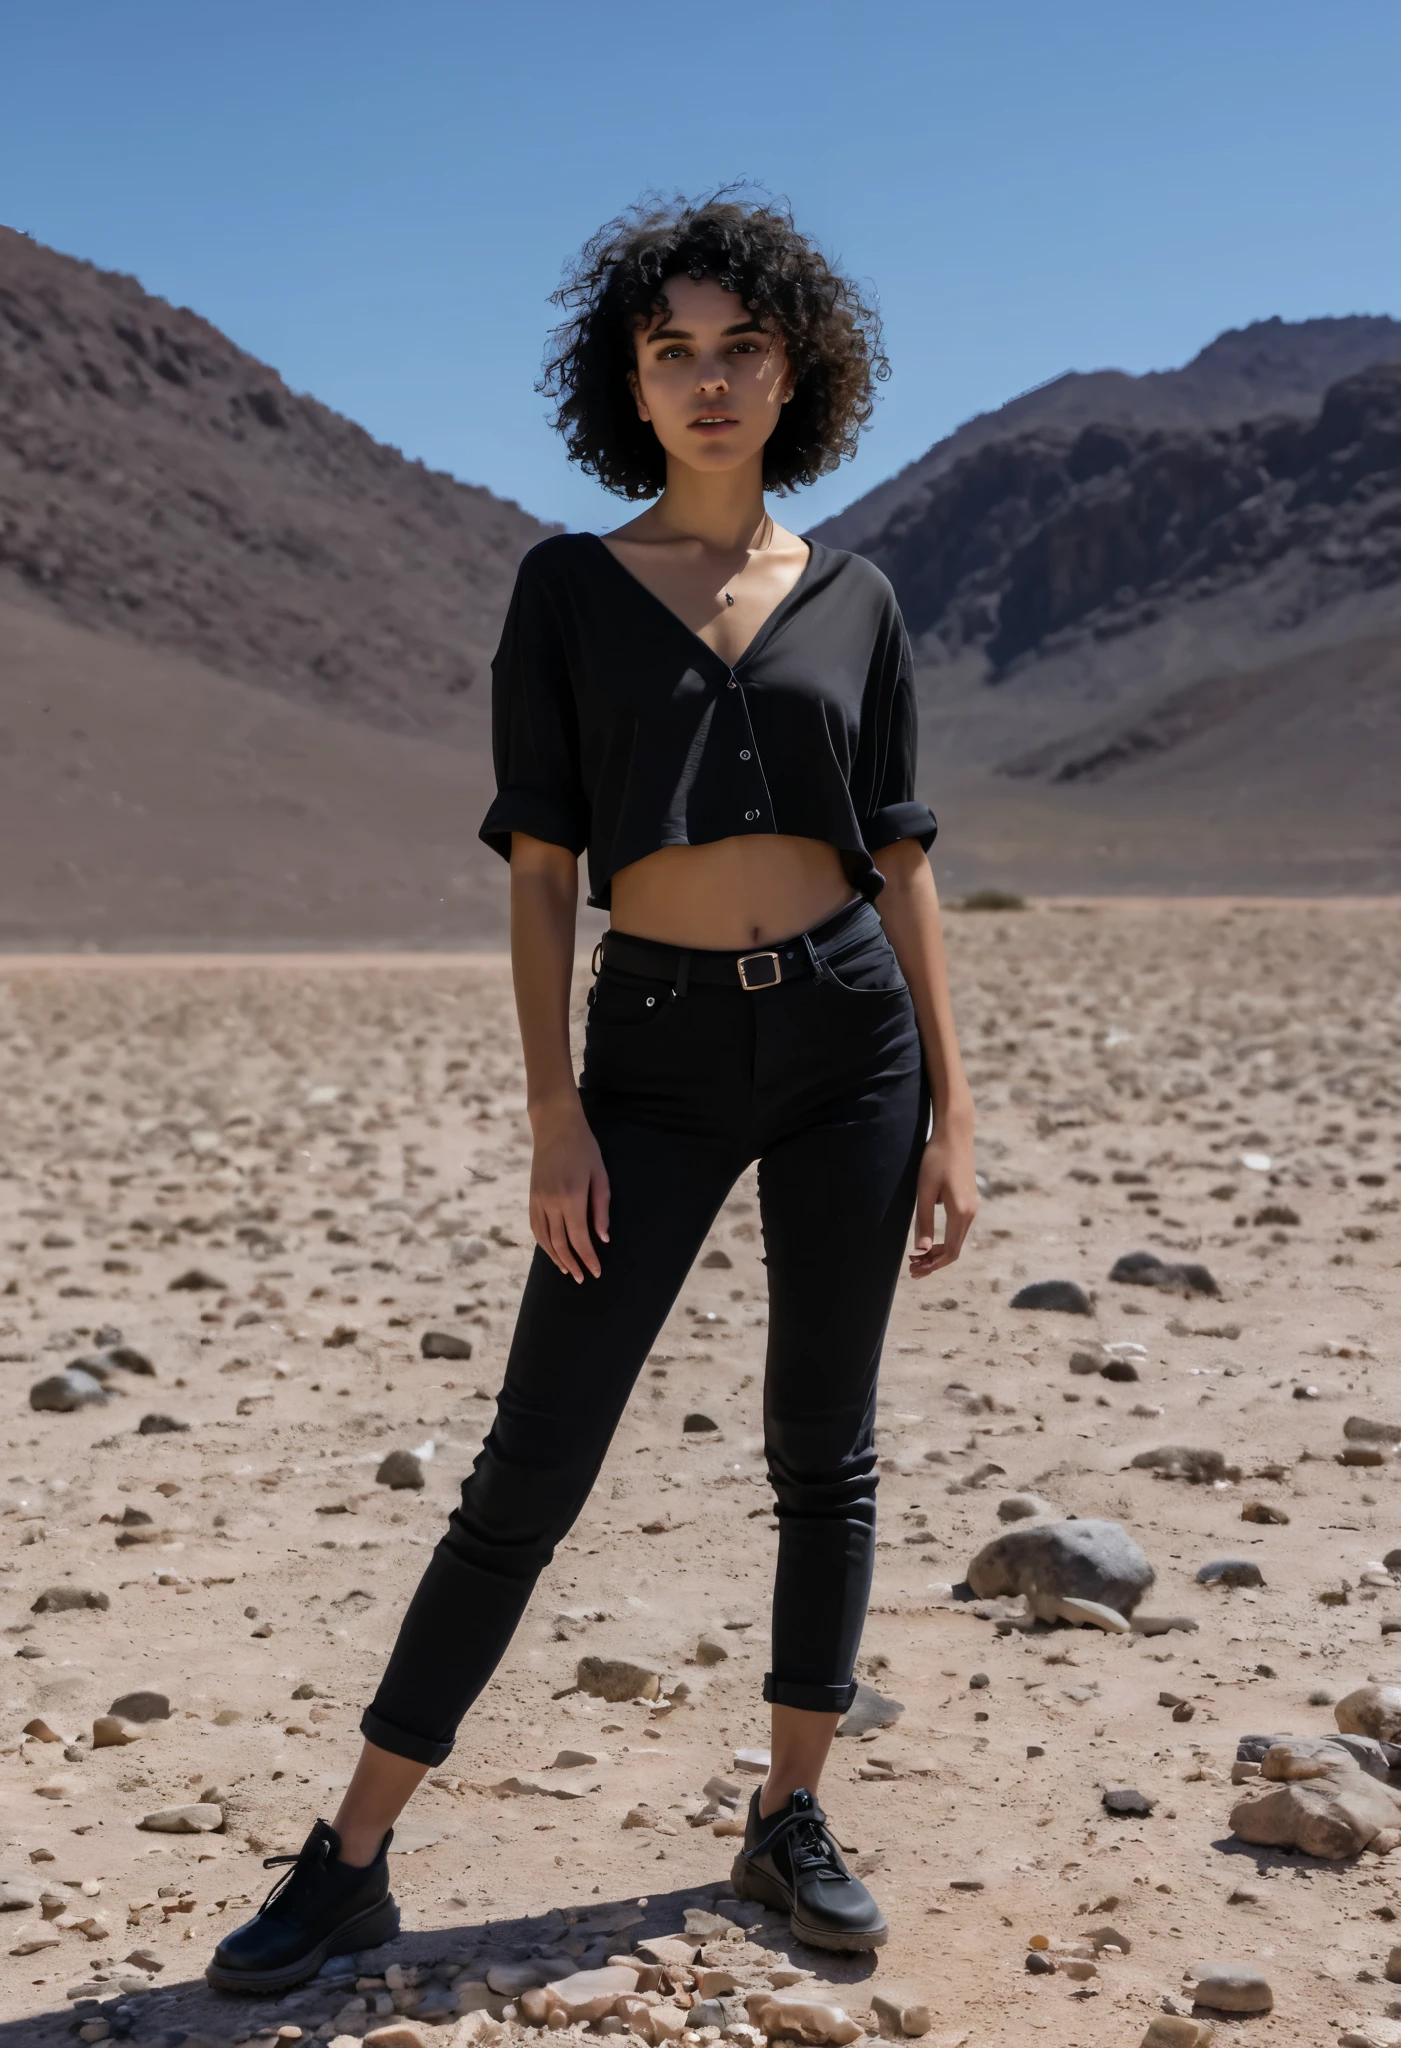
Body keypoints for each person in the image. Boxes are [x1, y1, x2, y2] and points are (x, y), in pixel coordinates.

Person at [207, 191, 977, 1994]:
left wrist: (956, 1106)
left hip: (850, 1039)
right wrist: (556, 1110)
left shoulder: (857, 599)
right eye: (672, 352)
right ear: (626, 382)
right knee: (531, 1466)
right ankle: (352, 1855)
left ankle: (786, 1818)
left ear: (800, 373)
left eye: (743, 348)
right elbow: (543, 869)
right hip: (652, 1060)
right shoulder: (565, 590)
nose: (709, 382)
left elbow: (909, 860)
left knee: (826, 1450)